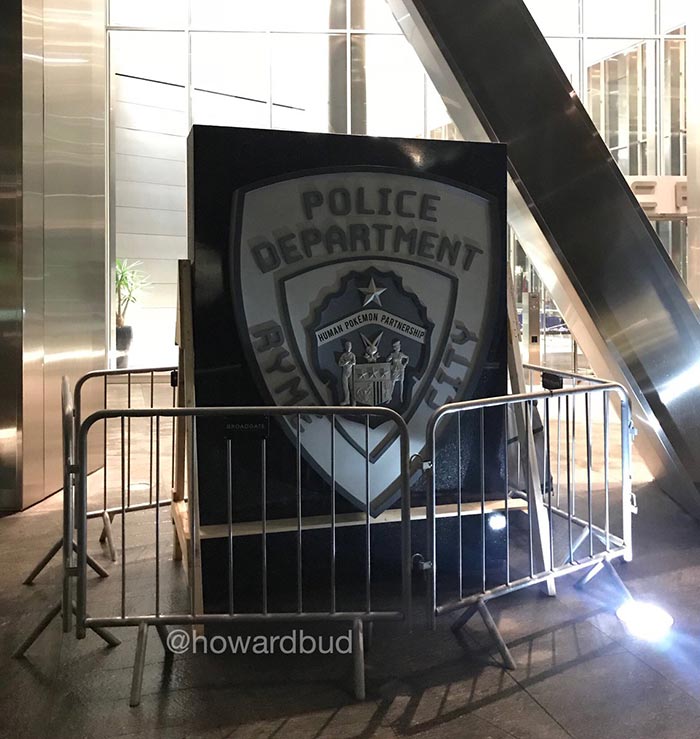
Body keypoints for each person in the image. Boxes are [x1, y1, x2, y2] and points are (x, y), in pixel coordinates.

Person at [338, 340, 356, 405]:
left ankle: (354, 402)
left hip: (351, 372)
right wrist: (345, 363)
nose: (348, 347)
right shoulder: (343, 355)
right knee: (345, 387)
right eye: (347, 346)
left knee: (352, 387)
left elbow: (354, 363)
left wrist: (348, 362)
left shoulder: (352, 355)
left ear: (351, 347)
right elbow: (339, 363)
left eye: (349, 346)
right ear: (345, 347)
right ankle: (347, 400)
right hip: (344, 372)